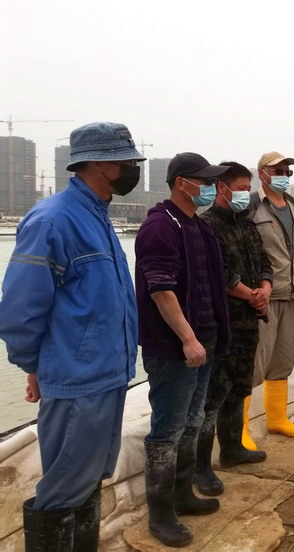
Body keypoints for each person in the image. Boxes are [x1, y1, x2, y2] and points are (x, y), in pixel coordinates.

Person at [0, 122, 142, 550]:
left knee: (90, 477)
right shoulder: (53, 220)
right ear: (98, 163)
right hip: (77, 380)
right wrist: (34, 366)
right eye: (126, 161)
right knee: (65, 485)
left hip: (108, 374)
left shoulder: (98, 216)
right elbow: (20, 309)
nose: (132, 169)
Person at [135, 152, 231, 547]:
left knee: (193, 419)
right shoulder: (160, 226)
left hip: (205, 340)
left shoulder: (198, 225)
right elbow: (161, 289)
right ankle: (160, 513)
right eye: (204, 181)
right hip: (173, 348)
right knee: (168, 428)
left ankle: (182, 494)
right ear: (181, 183)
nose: (210, 188)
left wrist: (210, 336)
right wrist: (187, 338)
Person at [193, 162, 270, 497]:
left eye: (247, 188)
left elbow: (264, 262)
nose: (245, 194)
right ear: (221, 188)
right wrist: (251, 295)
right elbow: (219, 274)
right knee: (213, 394)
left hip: (250, 321)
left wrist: (265, 288)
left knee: (239, 387)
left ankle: (232, 447)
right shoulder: (207, 225)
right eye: (240, 188)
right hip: (223, 323)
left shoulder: (247, 224)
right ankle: (200, 466)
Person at [245, 152, 294, 446]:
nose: (283, 175)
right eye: (277, 170)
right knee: (255, 362)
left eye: (286, 171)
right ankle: (239, 430)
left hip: (291, 295)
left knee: (283, 359)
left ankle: (277, 419)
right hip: (262, 298)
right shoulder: (252, 206)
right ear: (262, 173)